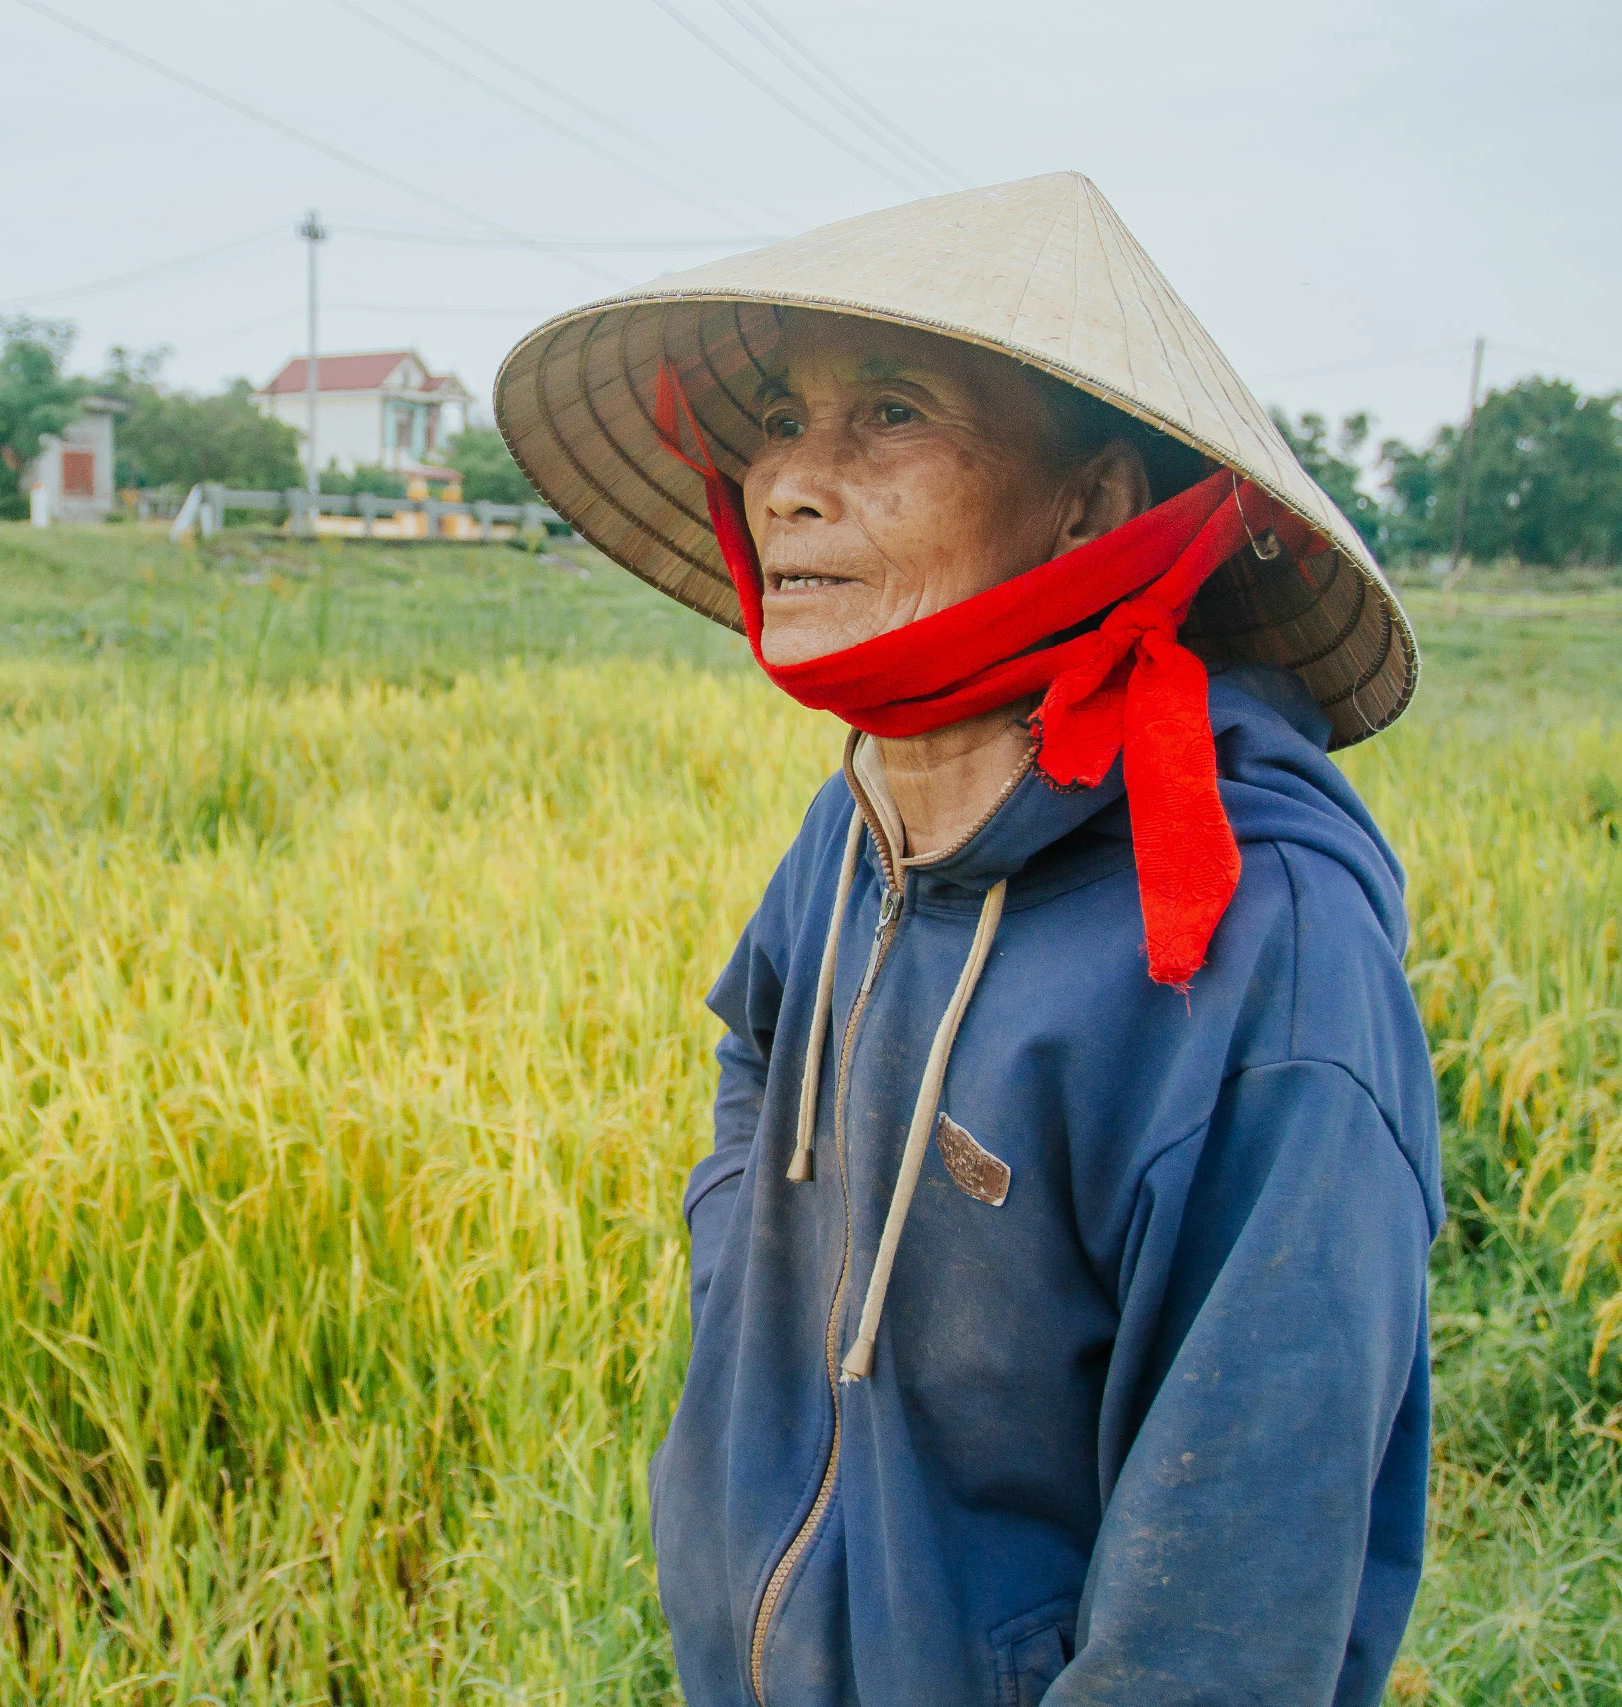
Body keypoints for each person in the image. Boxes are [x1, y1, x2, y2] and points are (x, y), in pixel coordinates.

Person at [492, 174, 1440, 1706]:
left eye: (888, 414)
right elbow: (757, 1035)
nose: (787, 482)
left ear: (1095, 505)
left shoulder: (1262, 944)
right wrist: (746, 1261)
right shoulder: (864, 807)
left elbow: (1235, 1597)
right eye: (782, 417)